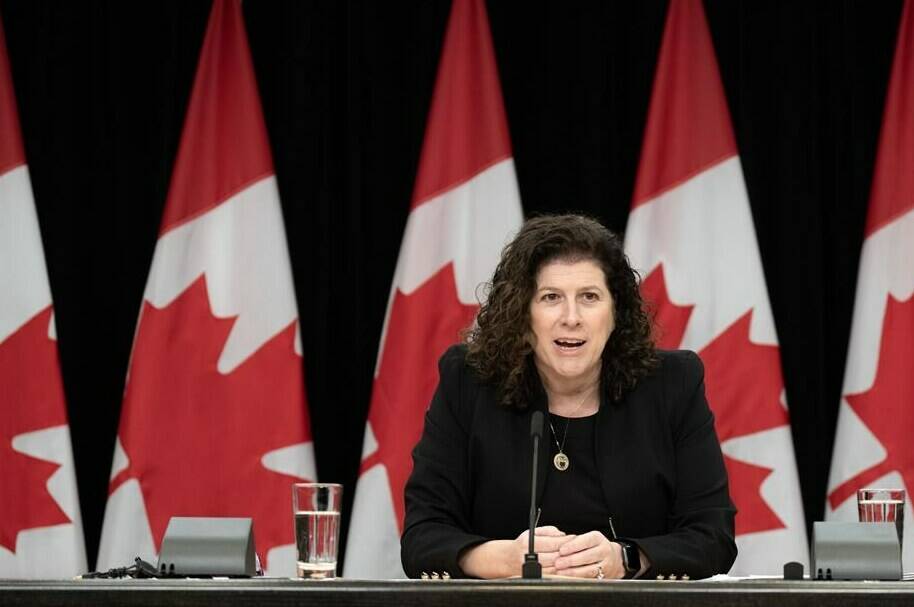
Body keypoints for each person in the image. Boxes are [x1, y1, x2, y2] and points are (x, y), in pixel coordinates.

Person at [400, 214, 737, 580]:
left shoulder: (672, 385)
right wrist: (502, 560)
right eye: (551, 298)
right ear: (522, 314)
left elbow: (713, 536)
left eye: (589, 297)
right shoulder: (470, 382)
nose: (571, 317)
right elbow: (422, 536)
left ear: (615, 313)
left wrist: (625, 558)